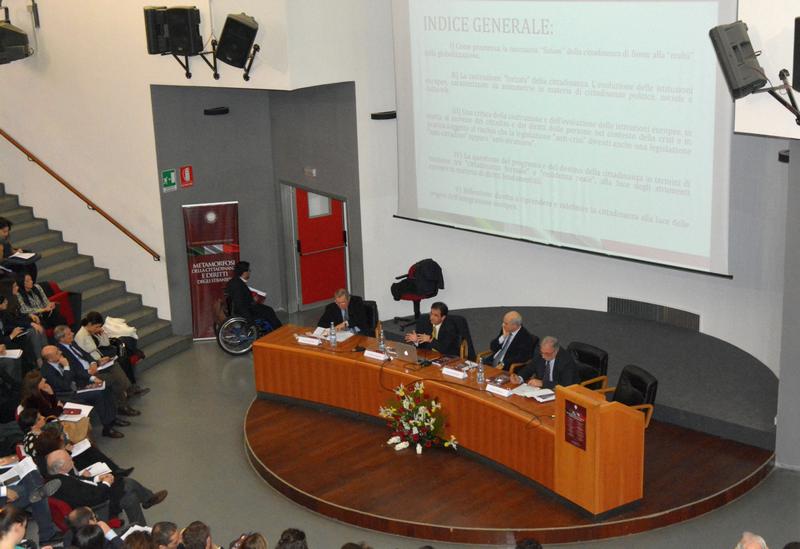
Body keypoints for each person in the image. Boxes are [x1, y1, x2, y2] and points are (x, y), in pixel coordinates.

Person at [46, 449, 167, 526]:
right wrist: (106, 483)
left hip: (94, 494)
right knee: (129, 490)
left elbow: (79, 482)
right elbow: (92, 499)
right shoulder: (65, 485)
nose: (72, 460)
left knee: (129, 490)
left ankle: (141, 529)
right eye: (69, 459)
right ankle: (145, 507)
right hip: (98, 507)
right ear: (62, 467)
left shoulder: (59, 477)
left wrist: (97, 478)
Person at [39, 346, 127, 438]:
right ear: (50, 358)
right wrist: (66, 366)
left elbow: (77, 372)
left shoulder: (60, 360)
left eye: (58, 350)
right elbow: (64, 386)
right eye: (57, 352)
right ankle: (107, 428)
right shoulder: (46, 371)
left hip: (77, 387)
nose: (60, 352)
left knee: (105, 387)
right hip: (66, 395)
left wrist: (93, 378)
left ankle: (112, 418)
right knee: (98, 394)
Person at [54, 324, 139, 417]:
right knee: (112, 378)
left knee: (114, 365)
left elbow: (86, 354)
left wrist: (95, 362)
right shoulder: (59, 352)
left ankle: (127, 390)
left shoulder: (72, 343)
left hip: (93, 367)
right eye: (69, 333)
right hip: (84, 376)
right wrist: (89, 373)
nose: (72, 334)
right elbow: (73, 371)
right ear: (62, 338)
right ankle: (122, 405)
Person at [75, 311, 148, 396]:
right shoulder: (81, 337)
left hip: (101, 358)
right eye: (96, 327)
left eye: (99, 326)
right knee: (120, 362)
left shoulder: (92, 331)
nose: (98, 328)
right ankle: (127, 390)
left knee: (119, 361)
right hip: (94, 364)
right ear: (90, 324)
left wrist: (102, 334)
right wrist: (98, 361)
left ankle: (130, 388)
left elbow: (106, 343)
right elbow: (84, 357)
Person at [0, 287, 48, 370]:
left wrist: (30, 323)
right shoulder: (6, 310)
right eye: (4, 302)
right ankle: (39, 359)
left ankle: (46, 354)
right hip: (7, 339)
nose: (6, 302)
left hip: (14, 332)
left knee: (36, 329)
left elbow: (16, 320)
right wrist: (11, 335)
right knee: (32, 332)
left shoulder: (4, 312)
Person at [225, 261, 282, 330]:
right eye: (249, 270)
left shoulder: (235, 281)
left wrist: (252, 298)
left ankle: (277, 328)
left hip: (246, 306)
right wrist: (249, 318)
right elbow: (239, 304)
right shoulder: (237, 284)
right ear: (244, 272)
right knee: (269, 311)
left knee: (268, 310)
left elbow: (241, 297)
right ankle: (279, 330)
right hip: (245, 311)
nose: (250, 272)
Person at [512, 336, 579, 389]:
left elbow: (566, 385)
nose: (543, 356)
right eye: (542, 352)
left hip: (559, 392)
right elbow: (530, 368)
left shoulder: (566, 361)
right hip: (540, 391)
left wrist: (543, 383)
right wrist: (520, 378)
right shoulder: (542, 353)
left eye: (547, 354)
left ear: (556, 351)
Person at [0, 217, 38, 283]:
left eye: (8, 231)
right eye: (4, 232)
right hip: (5, 266)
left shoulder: (3, 239)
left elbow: (10, 250)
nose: (6, 234)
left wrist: (16, 251)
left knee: (31, 265)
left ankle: (31, 283)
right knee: (22, 271)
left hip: (11, 260)